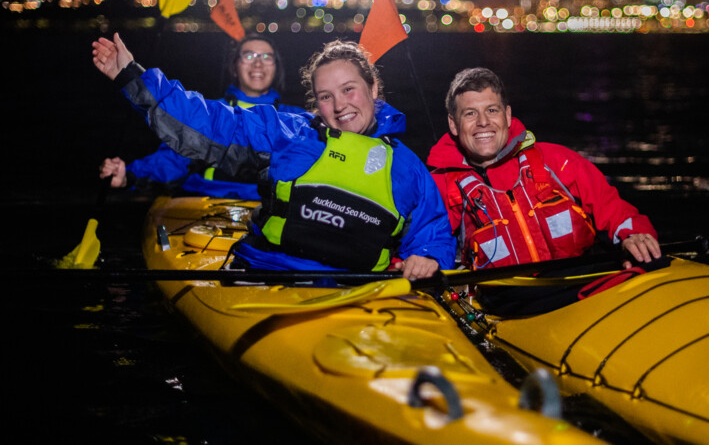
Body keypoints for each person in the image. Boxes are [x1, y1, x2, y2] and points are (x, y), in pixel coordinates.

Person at [92, 33, 454, 280]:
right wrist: (132, 77)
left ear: (373, 88)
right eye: (326, 96)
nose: (340, 105)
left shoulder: (406, 166)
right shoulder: (292, 133)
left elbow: (432, 228)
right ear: (315, 103)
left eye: (349, 90)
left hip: (355, 285)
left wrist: (429, 257)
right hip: (267, 272)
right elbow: (210, 122)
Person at [426, 67, 662, 314]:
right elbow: (426, 240)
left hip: (582, 284)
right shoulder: (441, 187)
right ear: (453, 124)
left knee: (655, 262)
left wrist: (634, 235)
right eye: (470, 113)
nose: (483, 122)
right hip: (511, 304)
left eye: (492, 110)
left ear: (507, 115)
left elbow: (613, 208)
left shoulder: (556, 160)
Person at [98, 34, 307, 200]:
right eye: (249, 56)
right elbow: (174, 159)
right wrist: (129, 174)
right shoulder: (211, 112)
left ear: (277, 66)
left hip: (265, 207)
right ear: (235, 66)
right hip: (207, 203)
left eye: (266, 57)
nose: (258, 64)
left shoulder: (295, 120)